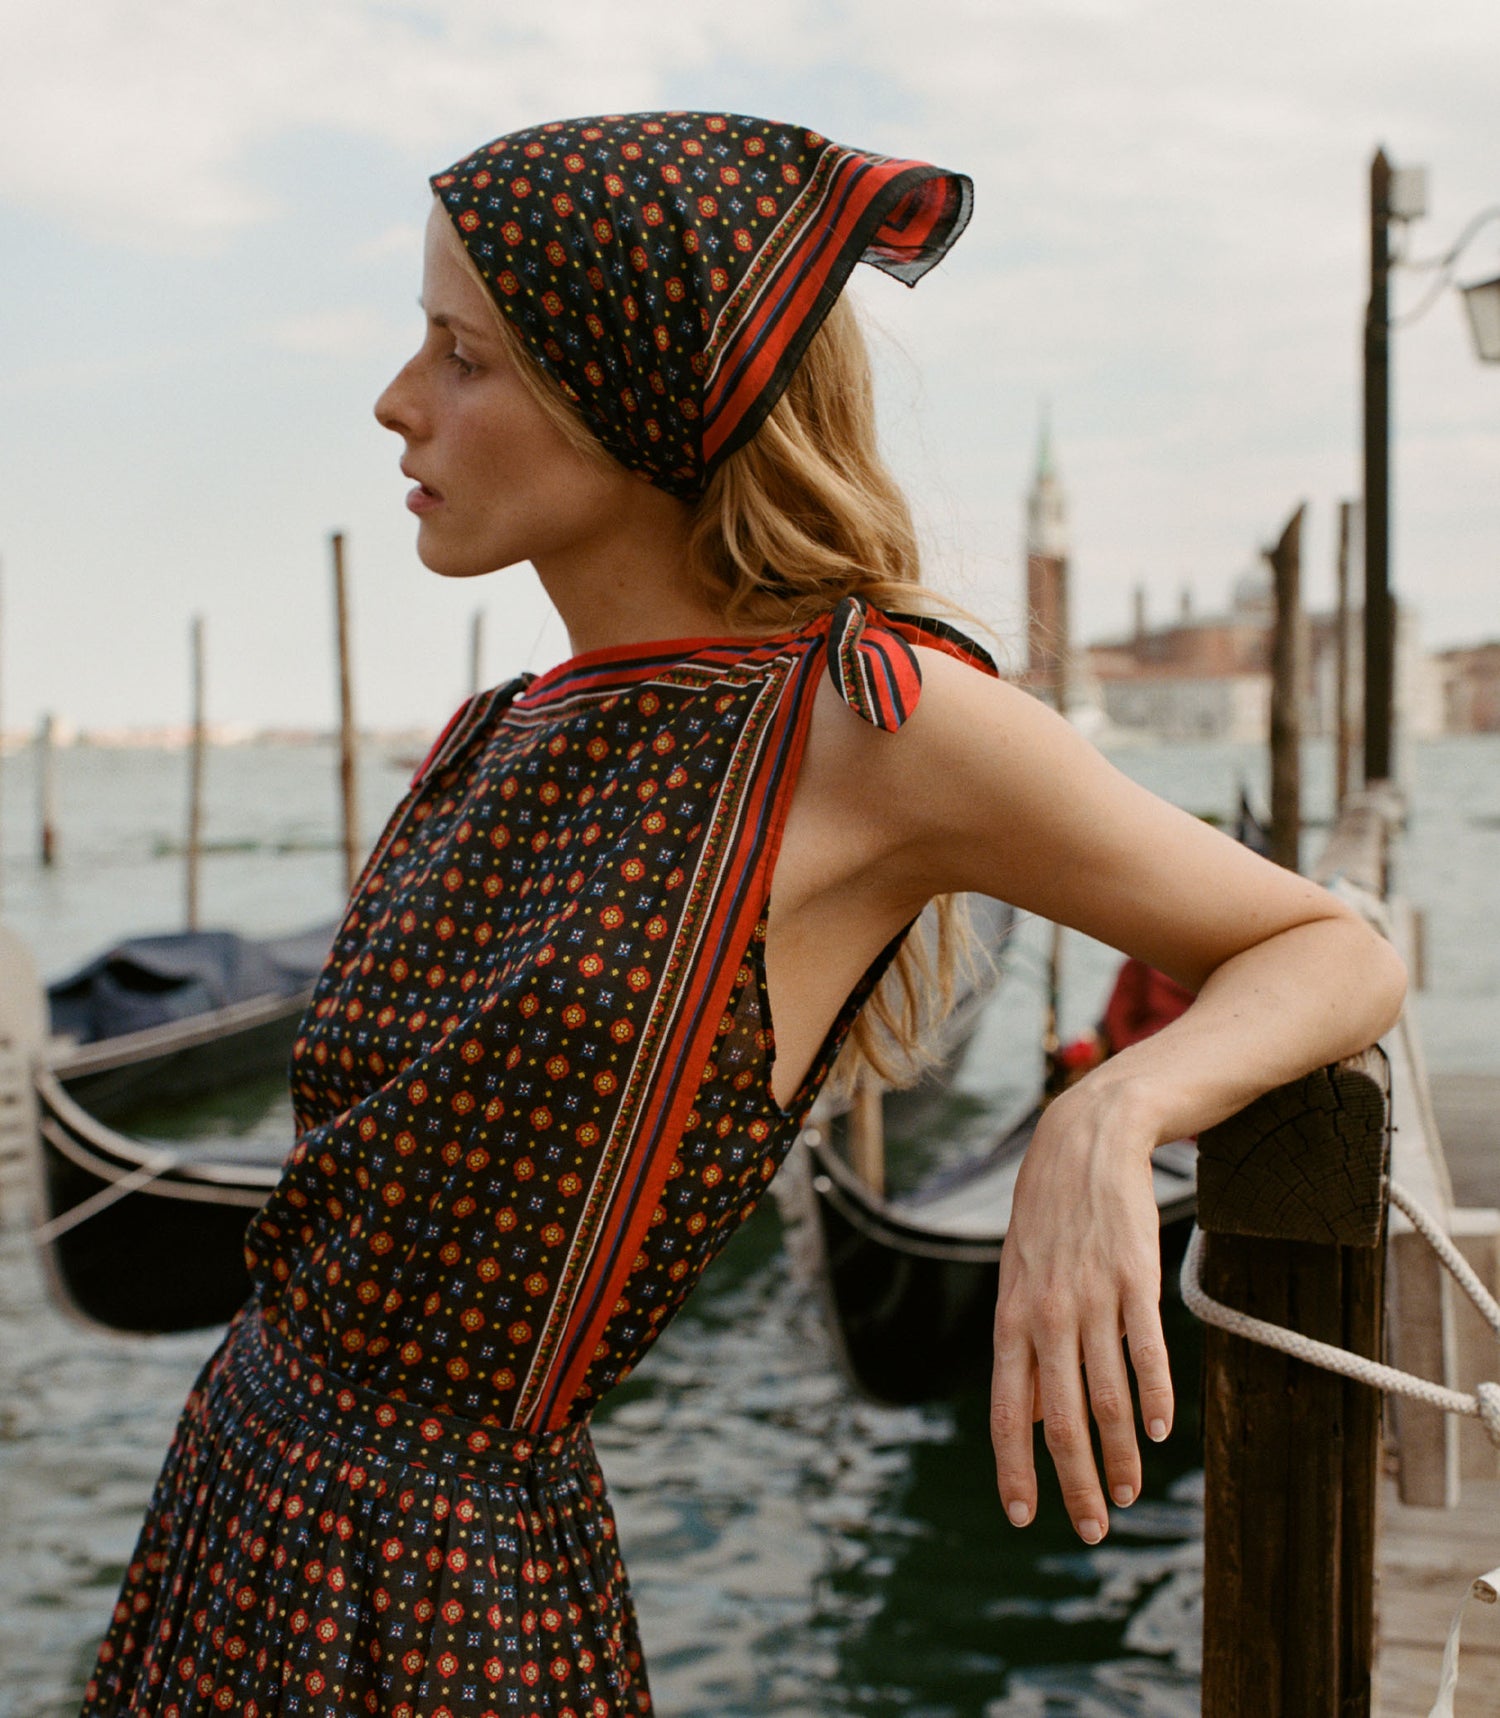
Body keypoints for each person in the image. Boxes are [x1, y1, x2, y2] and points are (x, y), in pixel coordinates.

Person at [81, 110, 1406, 1717]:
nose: (397, 399)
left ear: (636, 393)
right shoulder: (493, 729)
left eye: (464, 354)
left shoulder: (869, 721)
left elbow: (1334, 945)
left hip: (446, 1593)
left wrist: (1115, 1111)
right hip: (237, 1498)